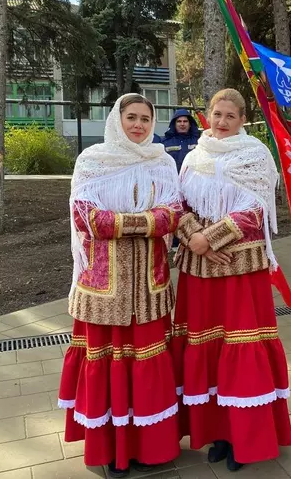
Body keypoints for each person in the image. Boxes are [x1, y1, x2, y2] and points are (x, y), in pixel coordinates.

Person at [58, 93, 182, 478]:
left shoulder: (162, 163)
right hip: (103, 286)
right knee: (108, 363)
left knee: (146, 365)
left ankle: (149, 446)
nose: (139, 125)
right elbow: (86, 218)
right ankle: (112, 450)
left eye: (146, 118)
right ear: (117, 119)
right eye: (132, 117)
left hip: (149, 286)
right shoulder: (92, 161)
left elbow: (172, 215)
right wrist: (144, 222)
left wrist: (121, 222)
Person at [171, 88, 291, 472]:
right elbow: (179, 205)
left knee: (241, 350)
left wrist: (210, 237)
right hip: (200, 269)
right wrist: (196, 241)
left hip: (241, 270)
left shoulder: (255, 155)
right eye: (217, 114)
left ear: (243, 120)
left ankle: (246, 436)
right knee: (206, 350)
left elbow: (255, 210)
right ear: (208, 115)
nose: (222, 122)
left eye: (230, 116)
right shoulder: (194, 156)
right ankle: (219, 432)